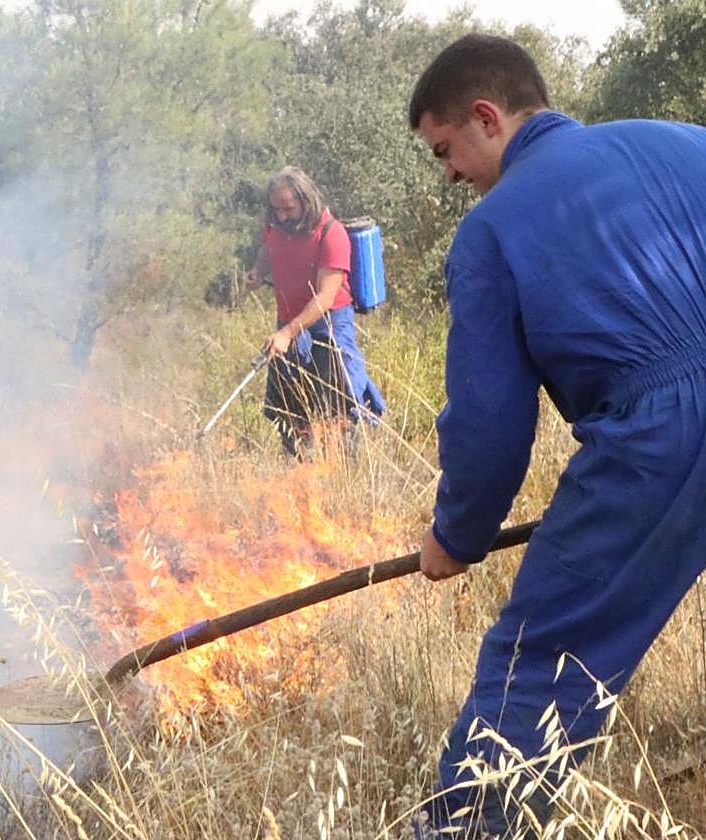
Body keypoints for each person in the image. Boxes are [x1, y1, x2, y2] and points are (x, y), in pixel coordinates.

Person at [408, 33, 706, 838]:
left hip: (661, 440)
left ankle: (469, 826)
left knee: (541, 663)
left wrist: (456, 535)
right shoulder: (684, 142)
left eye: (445, 151)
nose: (451, 176)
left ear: (485, 116)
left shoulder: (494, 230)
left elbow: (490, 425)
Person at [244, 166, 384, 458]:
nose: (282, 216)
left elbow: (324, 297)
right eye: (276, 209)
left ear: (305, 200)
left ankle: (346, 477)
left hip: (329, 325)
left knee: (338, 409)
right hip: (288, 326)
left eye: (288, 208)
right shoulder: (275, 226)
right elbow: (267, 249)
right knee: (289, 411)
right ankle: (298, 474)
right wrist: (258, 272)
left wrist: (287, 332)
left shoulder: (332, 234)